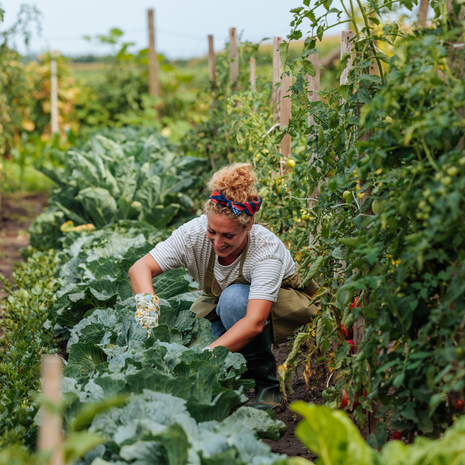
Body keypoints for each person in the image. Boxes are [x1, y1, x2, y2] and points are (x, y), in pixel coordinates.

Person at [129, 163, 319, 410]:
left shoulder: (265, 251)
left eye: (228, 236)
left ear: (248, 226)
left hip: (279, 307)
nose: (218, 242)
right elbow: (140, 268)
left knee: (233, 301)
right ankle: (236, 381)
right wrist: (147, 314)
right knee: (194, 337)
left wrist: (207, 353)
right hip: (221, 304)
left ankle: (267, 387)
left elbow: (254, 322)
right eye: (213, 231)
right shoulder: (193, 234)